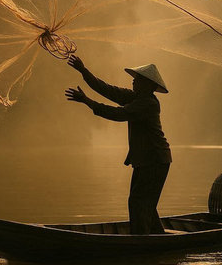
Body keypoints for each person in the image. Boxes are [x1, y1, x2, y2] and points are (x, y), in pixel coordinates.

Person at [65, 55, 172, 235]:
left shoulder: (147, 104)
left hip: (155, 160)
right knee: (145, 204)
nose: (133, 82)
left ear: (148, 85)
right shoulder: (136, 97)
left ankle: (143, 241)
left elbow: (118, 114)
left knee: (139, 202)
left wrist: (87, 101)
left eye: (137, 80)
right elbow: (107, 90)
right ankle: (156, 238)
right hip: (147, 161)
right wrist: (83, 70)